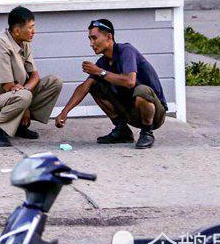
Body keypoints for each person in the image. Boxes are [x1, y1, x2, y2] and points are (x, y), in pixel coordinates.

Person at [54, 19, 166, 150]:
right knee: (94, 85)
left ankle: (147, 133)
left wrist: (99, 71)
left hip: (155, 113)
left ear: (109, 36)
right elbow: (84, 86)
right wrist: (64, 112)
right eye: (89, 39)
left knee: (141, 91)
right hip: (131, 111)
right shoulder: (103, 62)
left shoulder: (126, 51)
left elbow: (130, 82)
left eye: (94, 38)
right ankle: (122, 130)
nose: (91, 43)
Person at [0, 6, 64, 147]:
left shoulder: (23, 42)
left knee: (54, 82)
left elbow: (35, 75)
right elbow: (8, 86)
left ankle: (18, 125)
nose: (34, 32)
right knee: (24, 96)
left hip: (14, 95)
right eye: (30, 27)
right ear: (16, 31)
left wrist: (25, 94)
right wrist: (25, 105)